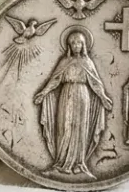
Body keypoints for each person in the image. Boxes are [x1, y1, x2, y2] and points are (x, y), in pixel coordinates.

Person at [34, 28, 114, 178]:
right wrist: (43, 93)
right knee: (64, 127)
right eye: (73, 43)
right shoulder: (64, 61)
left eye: (79, 43)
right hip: (66, 94)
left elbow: (96, 83)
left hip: (82, 96)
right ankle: (60, 163)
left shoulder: (87, 62)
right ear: (69, 46)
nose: (76, 45)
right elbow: (55, 80)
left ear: (84, 45)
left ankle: (78, 164)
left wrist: (103, 97)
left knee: (79, 128)